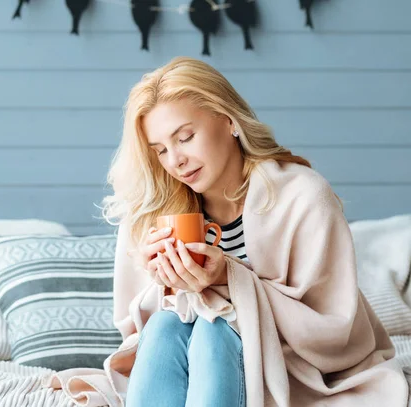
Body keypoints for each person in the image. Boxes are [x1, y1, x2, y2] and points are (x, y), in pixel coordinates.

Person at [43, 56, 408, 407]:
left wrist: (226, 276)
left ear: (229, 120)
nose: (176, 161)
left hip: (298, 367)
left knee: (215, 329)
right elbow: (134, 334)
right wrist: (165, 284)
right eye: (160, 151)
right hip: (185, 359)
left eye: (185, 137)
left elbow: (334, 329)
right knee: (165, 326)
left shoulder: (302, 195)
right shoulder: (153, 210)